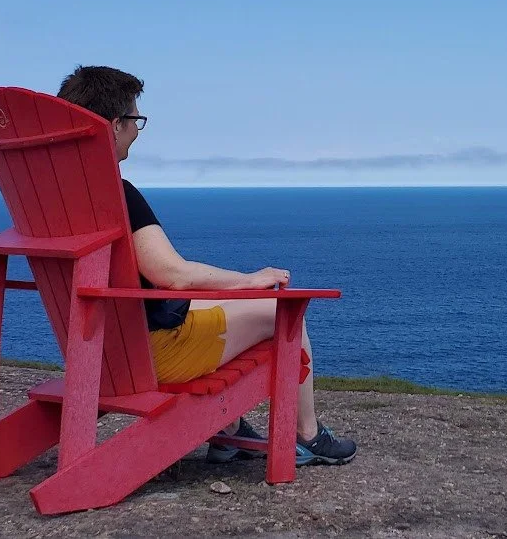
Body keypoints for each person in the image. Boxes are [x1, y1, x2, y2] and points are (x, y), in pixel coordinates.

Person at [57, 65, 356, 466]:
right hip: (149, 356)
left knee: (205, 308)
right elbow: (172, 275)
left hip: (97, 349)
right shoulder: (118, 193)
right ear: (114, 126)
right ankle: (306, 435)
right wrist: (250, 280)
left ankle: (228, 432)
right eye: (135, 121)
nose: (137, 131)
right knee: (283, 311)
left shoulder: (55, 200)